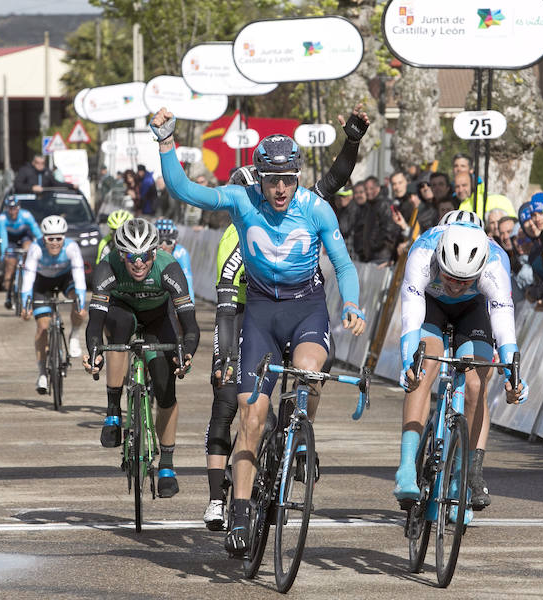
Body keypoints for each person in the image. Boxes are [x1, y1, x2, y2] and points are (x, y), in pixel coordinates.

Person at [149, 106, 367, 556]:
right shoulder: (240, 201)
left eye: (288, 178)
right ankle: (243, 512)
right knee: (250, 416)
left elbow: (343, 263)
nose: (281, 188)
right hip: (261, 314)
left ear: (297, 177)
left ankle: (297, 433)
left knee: (309, 372)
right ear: (260, 179)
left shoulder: (315, 208)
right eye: (272, 180)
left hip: (306, 309)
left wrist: (351, 304)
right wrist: (167, 140)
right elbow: (185, 189)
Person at [394, 217, 527, 521]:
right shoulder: (423, 252)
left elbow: (505, 327)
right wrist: (407, 361)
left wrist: (513, 375)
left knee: (477, 383)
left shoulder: (495, 264)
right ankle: (406, 468)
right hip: (431, 305)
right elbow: (411, 318)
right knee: (424, 367)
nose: (454, 285)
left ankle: (468, 473)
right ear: (439, 260)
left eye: (463, 280)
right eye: (450, 277)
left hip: (473, 311)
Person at [83, 218, 198, 498]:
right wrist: (94, 353)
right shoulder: (107, 268)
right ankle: (113, 411)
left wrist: (186, 354)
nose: (138, 263)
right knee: (120, 328)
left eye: (144, 256)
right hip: (122, 313)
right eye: (131, 256)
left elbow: (191, 326)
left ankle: (167, 465)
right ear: (121, 255)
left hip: (158, 318)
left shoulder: (169, 268)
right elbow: (95, 323)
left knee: (165, 387)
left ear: (154, 253)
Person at [20, 215, 88, 391]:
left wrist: (79, 302)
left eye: (59, 238)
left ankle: (74, 335)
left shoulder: (71, 247)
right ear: (44, 238)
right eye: (51, 239)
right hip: (41, 284)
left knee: (80, 306)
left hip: (65, 280)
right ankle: (42, 373)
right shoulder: (36, 248)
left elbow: (80, 277)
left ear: (64, 238)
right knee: (42, 328)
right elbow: (28, 279)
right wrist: (25, 305)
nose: (55, 243)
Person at [0, 197, 43, 309]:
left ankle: (26, 268)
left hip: (24, 238)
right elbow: (3, 236)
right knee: (9, 266)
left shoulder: (26, 215)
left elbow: (37, 232)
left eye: (15, 208)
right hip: (11, 241)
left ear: (19, 208)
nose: (12, 211)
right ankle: (8, 295)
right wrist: (4, 252)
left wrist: (43, 246)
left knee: (28, 247)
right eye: (10, 209)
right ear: (7, 209)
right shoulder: (3, 218)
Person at [154, 218, 194, 302]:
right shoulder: (148, 253)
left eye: (168, 242)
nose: (163, 247)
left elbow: (187, 281)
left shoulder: (181, 253)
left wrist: (190, 305)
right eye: (159, 242)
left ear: (175, 243)